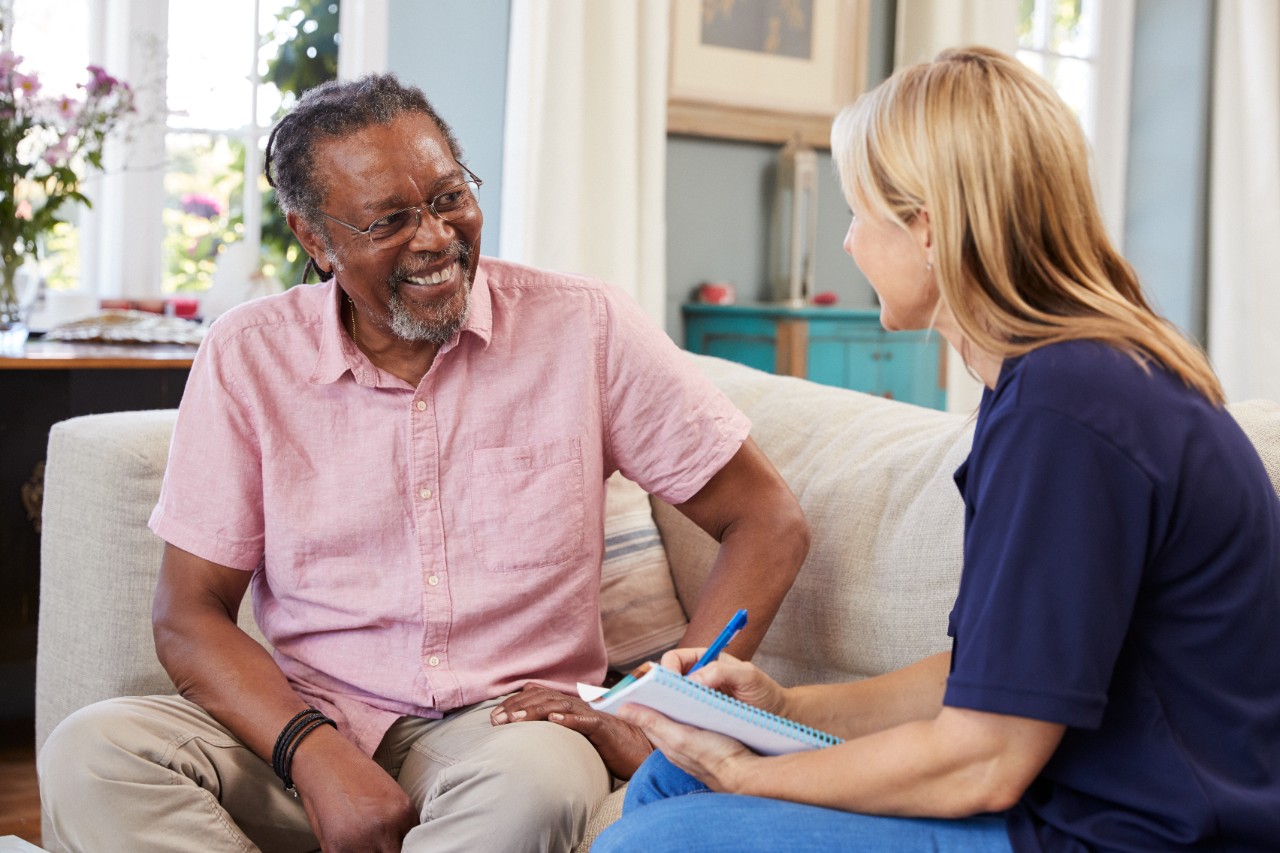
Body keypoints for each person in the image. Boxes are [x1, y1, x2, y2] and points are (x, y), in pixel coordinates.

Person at [37, 73, 809, 853]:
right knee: (92, 752)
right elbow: (189, 612)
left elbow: (767, 519)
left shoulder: (586, 327)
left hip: (507, 729)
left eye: (448, 198)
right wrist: (314, 752)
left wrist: (657, 701)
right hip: (308, 716)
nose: (438, 237)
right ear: (315, 239)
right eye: (390, 220)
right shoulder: (248, 355)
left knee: (535, 788)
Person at [593, 46, 1280, 853]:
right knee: (672, 777)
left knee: (653, 841)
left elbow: (983, 762)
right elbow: (987, 677)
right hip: (1073, 797)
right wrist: (782, 708)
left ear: (928, 227)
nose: (849, 244)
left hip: (1132, 832)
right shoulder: (1054, 381)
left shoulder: (1070, 411)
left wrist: (749, 772)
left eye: (860, 213)